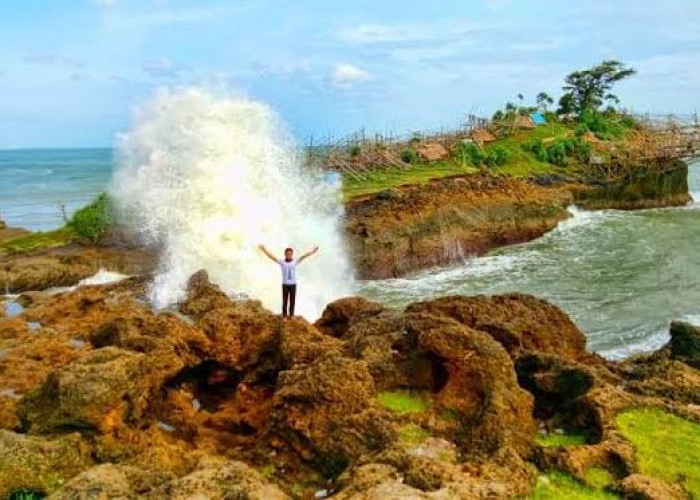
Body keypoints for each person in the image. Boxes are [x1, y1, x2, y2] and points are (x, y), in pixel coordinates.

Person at [258, 244, 319, 319]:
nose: (289, 255)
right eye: (287, 254)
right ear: (285, 254)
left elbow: (304, 256)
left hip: (293, 284)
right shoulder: (282, 262)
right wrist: (264, 250)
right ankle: (284, 316)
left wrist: (313, 251)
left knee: (292, 301)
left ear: (292, 254)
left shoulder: (295, 261)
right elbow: (272, 257)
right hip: (285, 285)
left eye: (290, 254)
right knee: (285, 301)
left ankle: (292, 315)